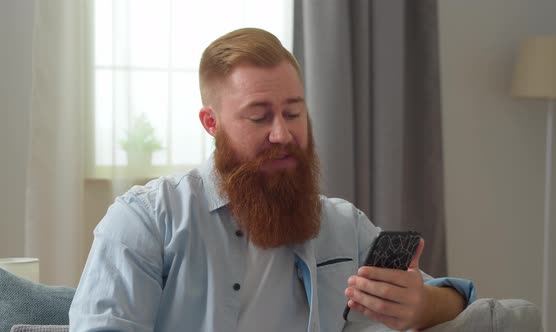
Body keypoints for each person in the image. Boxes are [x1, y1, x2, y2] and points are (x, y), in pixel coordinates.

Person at [69, 28, 475, 332]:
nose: (282, 134)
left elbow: (454, 297)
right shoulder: (146, 221)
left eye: (293, 113)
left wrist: (421, 305)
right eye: (259, 116)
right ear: (212, 123)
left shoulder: (343, 225)